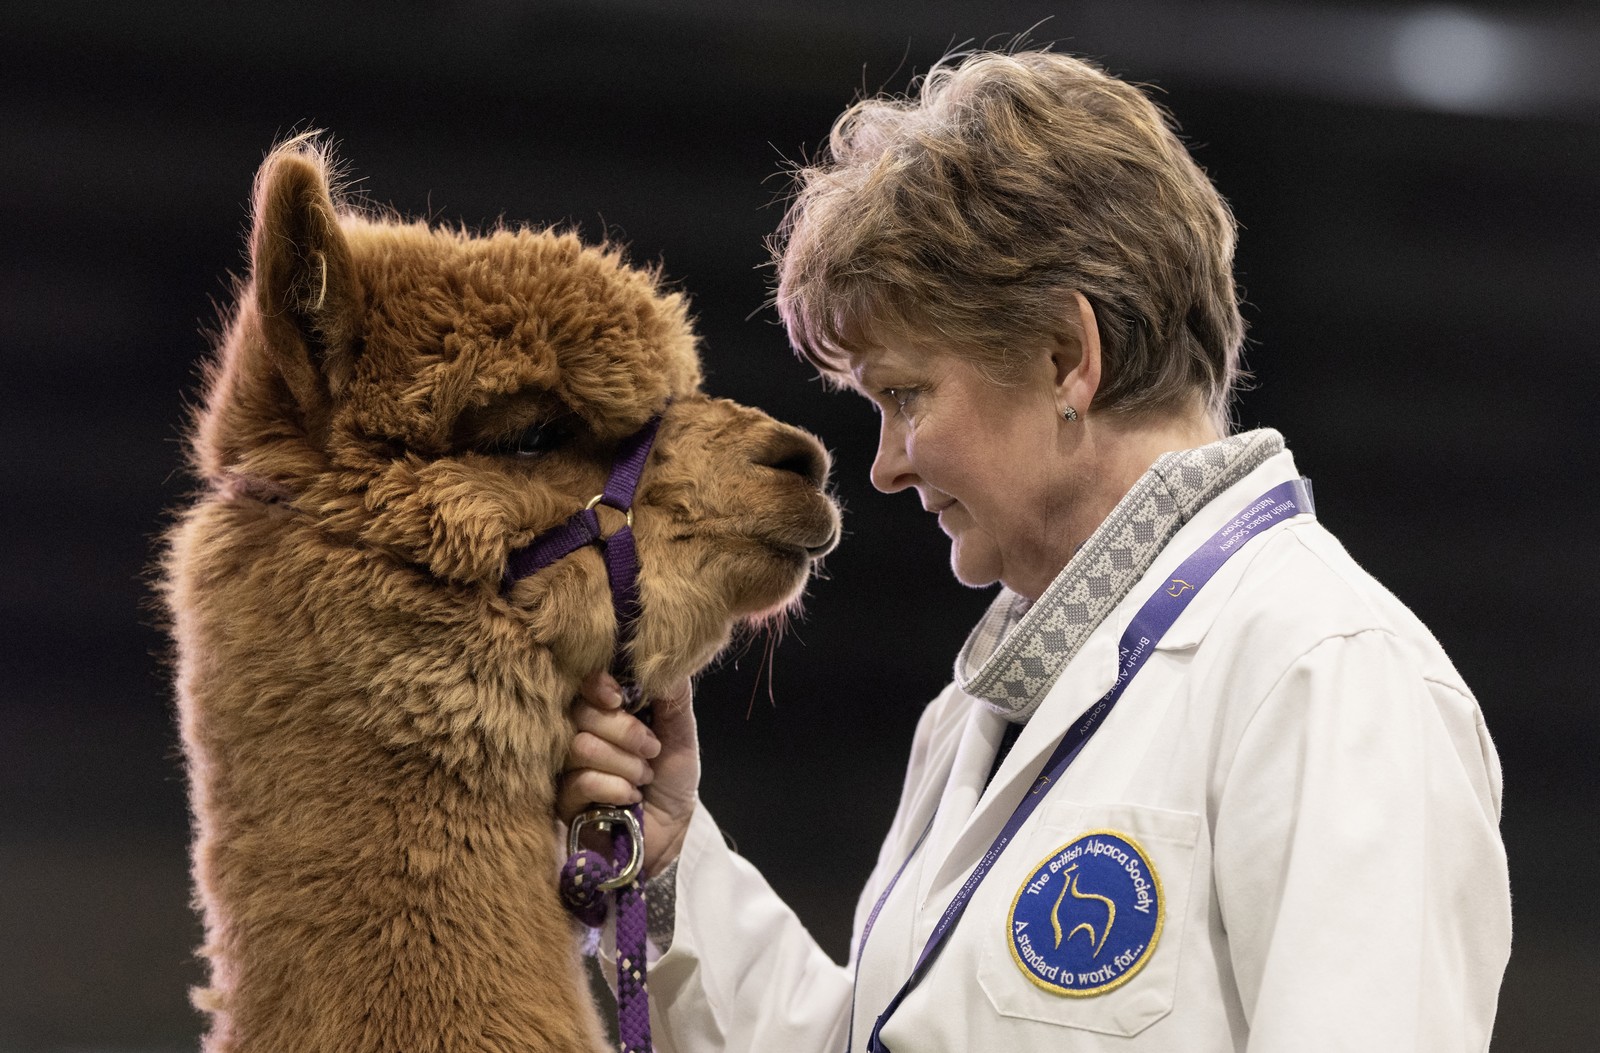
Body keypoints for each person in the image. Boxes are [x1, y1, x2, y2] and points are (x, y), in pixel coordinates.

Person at [558, 49, 1511, 1051]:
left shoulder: (1327, 673)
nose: (882, 465)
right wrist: (664, 865)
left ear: (1065, 356)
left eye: (905, 395)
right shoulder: (974, 712)